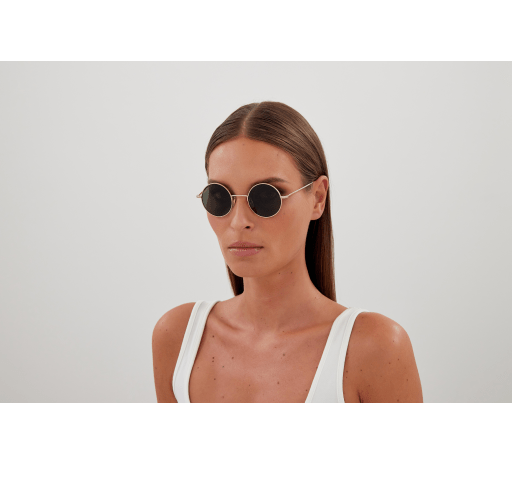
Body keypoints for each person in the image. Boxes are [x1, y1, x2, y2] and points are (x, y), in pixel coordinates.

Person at [152, 101, 423, 403]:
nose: (239, 222)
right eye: (220, 196)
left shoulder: (376, 348)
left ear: (317, 198)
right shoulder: (177, 337)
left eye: (266, 196)